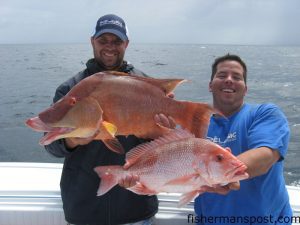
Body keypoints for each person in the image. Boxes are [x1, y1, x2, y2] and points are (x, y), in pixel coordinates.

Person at [45, 14, 174, 225]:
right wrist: (72, 140)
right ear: (92, 41)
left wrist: (164, 133)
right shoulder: (70, 90)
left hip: (135, 206)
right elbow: (51, 146)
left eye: (117, 41)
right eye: (103, 40)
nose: (109, 47)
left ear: (127, 44)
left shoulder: (146, 86)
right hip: (84, 209)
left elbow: (162, 149)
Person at [194, 54, 292, 225]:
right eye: (222, 75)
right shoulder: (195, 124)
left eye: (237, 77)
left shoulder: (265, 113)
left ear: (245, 89)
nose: (229, 80)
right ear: (210, 85)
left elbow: (266, 156)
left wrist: (223, 175)